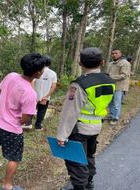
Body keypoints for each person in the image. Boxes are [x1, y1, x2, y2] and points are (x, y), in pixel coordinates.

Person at [0, 53, 46, 190]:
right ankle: (7, 185)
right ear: (37, 73)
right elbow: (25, 118)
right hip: (12, 128)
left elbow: (0, 92)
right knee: (14, 158)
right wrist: (21, 120)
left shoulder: (11, 76)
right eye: (42, 69)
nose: (43, 71)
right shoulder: (30, 93)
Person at [57, 47, 115, 190]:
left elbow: (70, 112)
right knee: (89, 155)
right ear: (102, 62)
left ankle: (80, 186)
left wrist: (62, 135)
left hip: (80, 128)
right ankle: (89, 182)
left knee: (76, 161)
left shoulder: (80, 84)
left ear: (80, 63)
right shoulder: (109, 80)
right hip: (96, 126)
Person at [32, 55, 57, 130]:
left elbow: (32, 82)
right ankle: (38, 126)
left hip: (35, 95)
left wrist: (33, 93)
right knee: (42, 111)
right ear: (49, 63)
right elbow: (53, 86)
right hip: (45, 96)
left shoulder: (37, 71)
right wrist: (46, 96)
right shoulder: (53, 73)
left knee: (31, 108)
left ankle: (28, 123)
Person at [107, 49, 130, 125]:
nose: (114, 55)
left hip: (119, 87)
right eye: (113, 53)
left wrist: (110, 77)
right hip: (111, 86)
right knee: (110, 102)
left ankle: (115, 118)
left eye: (116, 53)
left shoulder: (125, 63)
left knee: (117, 103)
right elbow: (108, 74)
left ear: (120, 54)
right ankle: (111, 115)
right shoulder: (111, 63)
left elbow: (124, 75)